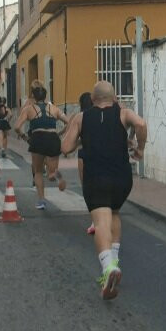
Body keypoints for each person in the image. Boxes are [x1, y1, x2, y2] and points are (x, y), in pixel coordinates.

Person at [61, 81, 147, 300]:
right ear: (115, 98)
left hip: (96, 177)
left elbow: (65, 147)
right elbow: (142, 124)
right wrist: (140, 148)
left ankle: (108, 268)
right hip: (122, 178)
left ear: (92, 99)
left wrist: (84, 138)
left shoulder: (81, 118)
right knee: (114, 212)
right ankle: (114, 260)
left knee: (101, 221)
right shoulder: (124, 113)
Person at [14, 81, 69, 209]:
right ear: (45, 96)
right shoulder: (54, 108)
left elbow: (17, 127)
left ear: (33, 96)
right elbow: (68, 122)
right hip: (53, 138)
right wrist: (59, 133)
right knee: (51, 173)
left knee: (38, 172)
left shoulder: (28, 109)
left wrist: (25, 137)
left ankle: (41, 200)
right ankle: (57, 176)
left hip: (37, 139)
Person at [75, 91, 96, 235]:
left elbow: (71, 143)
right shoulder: (100, 116)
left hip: (84, 154)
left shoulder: (80, 117)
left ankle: (95, 220)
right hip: (102, 154)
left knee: (87, 188)